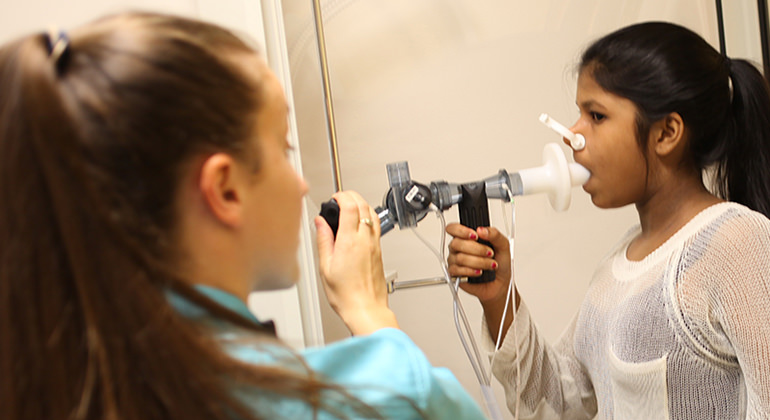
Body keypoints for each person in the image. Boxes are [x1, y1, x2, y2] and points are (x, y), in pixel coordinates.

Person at [0, 12, 487, 420]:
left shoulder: (53, 386)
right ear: (226, 189)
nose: (300, 184)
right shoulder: (376, 396)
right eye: (282, 147)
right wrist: (373, 318)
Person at [447, 22, 770, 419]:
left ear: (667, 132)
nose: (573, 135)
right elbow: (559, 403)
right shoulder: (617, 268)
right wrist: (500, 298)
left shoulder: (736, 241)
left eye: (596, 116)